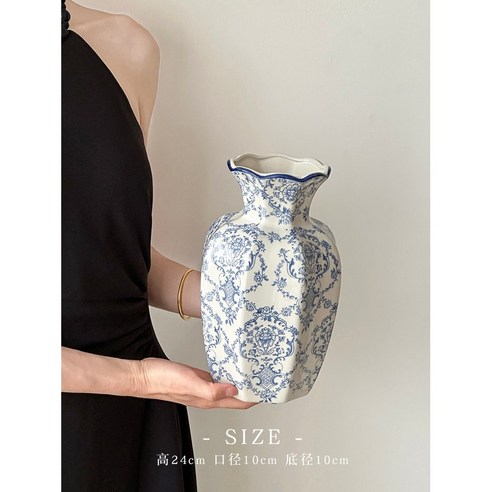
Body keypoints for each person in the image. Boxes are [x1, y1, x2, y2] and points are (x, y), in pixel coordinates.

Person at [62, 1, 256, 490]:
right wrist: (141, 380)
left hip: (136, 425)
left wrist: (228, 299)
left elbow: (106, 252)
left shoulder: (126, 46)